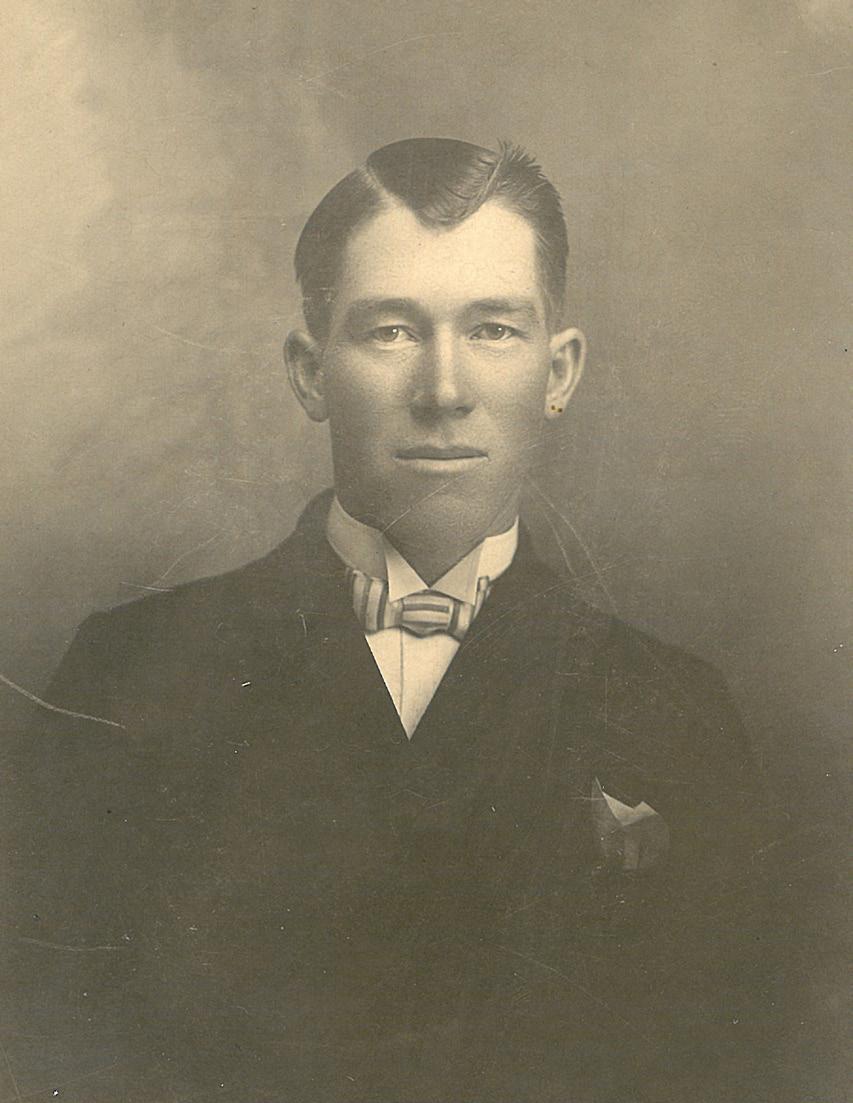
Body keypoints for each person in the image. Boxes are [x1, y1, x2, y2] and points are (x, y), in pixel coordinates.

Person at [4, 139, 776, 1102]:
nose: (443, 390)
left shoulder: (676, 707)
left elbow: (729, 1058)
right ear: (309, 371)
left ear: (559, 370)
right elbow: (50, 1040)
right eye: (392, 331)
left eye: (492, 329)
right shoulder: (126, 675)